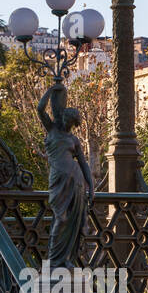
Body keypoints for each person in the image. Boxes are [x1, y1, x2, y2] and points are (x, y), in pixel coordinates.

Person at [37, 82, 94, 269]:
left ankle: (66, 259)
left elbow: (84, 163)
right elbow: (40, 109)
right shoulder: (52, 129)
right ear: (63, 118)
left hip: (76, 182)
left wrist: (91, 186)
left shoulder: (74, 140)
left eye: (72, 124)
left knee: (73, 222)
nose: (69, 126)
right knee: (60, 218)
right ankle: (53, 261)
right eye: (68, 122)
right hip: (58, 180)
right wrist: (51, 89)